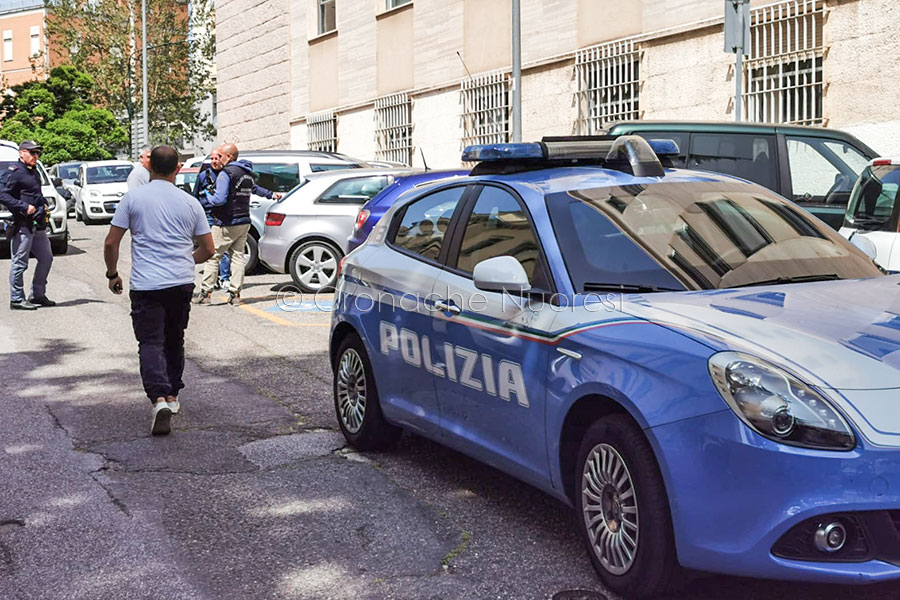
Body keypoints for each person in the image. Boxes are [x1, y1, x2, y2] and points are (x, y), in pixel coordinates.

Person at [104, 145, 214, 436]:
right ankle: (174, 395)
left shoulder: (133, 199)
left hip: (146, 284)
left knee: (151, 342)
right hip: (180, 283)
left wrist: (112, 273)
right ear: (178, 168)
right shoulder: (190, 203)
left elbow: (111, 242)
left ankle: (159, 399)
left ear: (149, 166)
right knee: (174, 338)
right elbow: (208, 248)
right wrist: (184, 260)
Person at [195, 143, 280, 306]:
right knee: (237, 257)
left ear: (229, 157)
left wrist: (208, 194)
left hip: (225, 222)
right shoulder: (247, 174)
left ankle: (205, 293)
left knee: (213, 257)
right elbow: (255, 189)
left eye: (220, 156)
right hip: (243, 221)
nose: (218, 159)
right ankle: (235, 294)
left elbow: (219, 200)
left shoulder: (226, 174)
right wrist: (271, 195)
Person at [0, 140, 55, 311]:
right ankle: (16, 299)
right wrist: (23, 207)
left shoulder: (33, 172)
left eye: (37, 153)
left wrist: (43, 203)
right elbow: (2, 195)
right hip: (22, 224)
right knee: (20, 262)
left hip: (37, 224)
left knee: (46, 258)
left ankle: (37, 294)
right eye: (32, 153)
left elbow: (35, 194)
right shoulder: (14, 173)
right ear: (21, 153)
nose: (35, 156)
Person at [192, 147, 232, 290]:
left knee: (222, 248)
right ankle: (212, 279)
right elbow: (195, 195)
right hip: (206, 216)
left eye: (217, 158)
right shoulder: (203, 175)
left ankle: (224, 278)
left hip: (221, 215)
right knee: (209, 248)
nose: (214, 161)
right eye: (212, 159)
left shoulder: (226, 174)